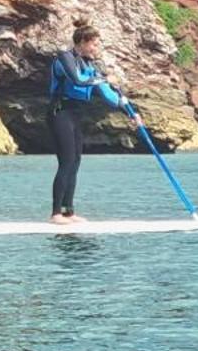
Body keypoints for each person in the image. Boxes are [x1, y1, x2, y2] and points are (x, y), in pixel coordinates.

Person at [47, 20, 141, 224]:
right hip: (60, 113)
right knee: (67, 162)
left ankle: (68, 212)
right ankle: (55, 214)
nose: (96, 48)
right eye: (94, 44)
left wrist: (130, 111)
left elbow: (108, 96)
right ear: (82, 41)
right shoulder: (65, 58)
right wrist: (103, 79)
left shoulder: (89, 65)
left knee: (76, 163)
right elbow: (77, 81)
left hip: (75, 115)